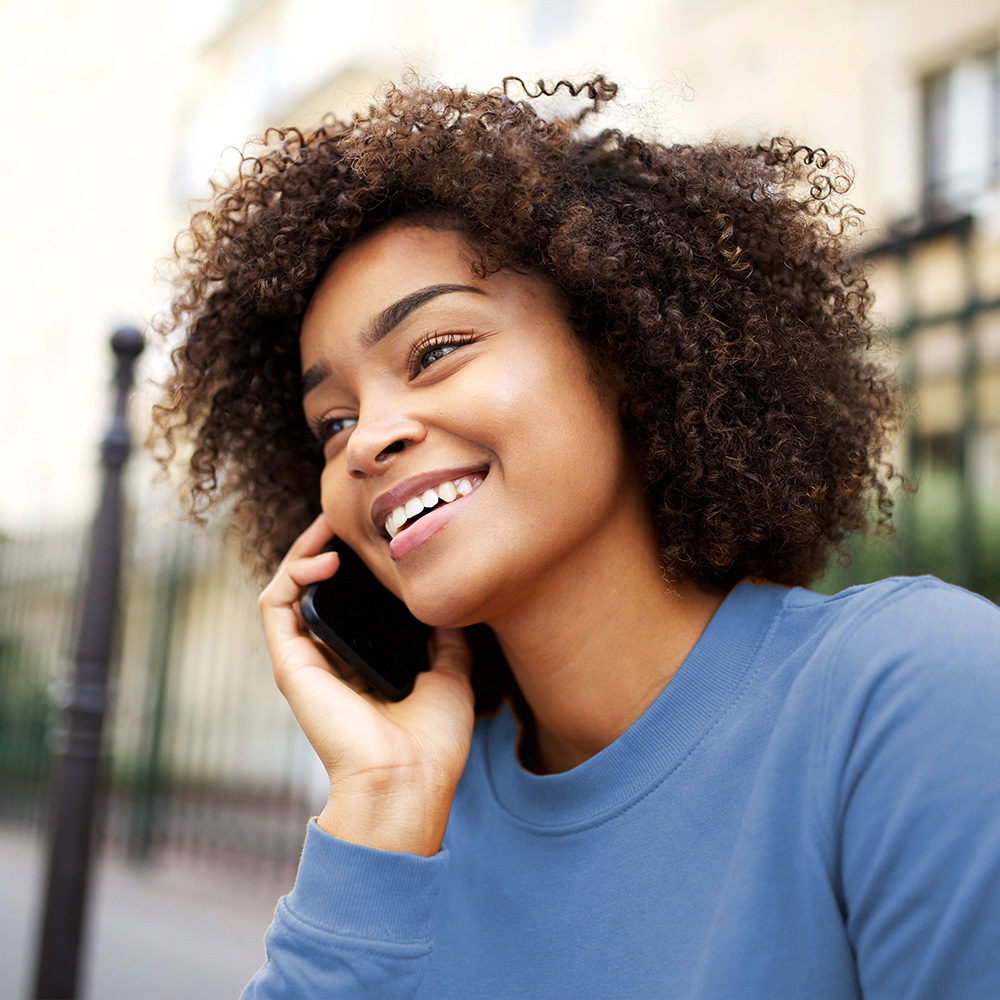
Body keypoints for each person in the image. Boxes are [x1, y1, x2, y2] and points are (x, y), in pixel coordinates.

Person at [152, 76, 1000, 999]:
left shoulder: (911, 694)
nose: (368, 440)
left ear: (625, 348)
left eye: (434, 351)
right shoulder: (411, 818)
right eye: (331, 422)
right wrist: (385, 804)